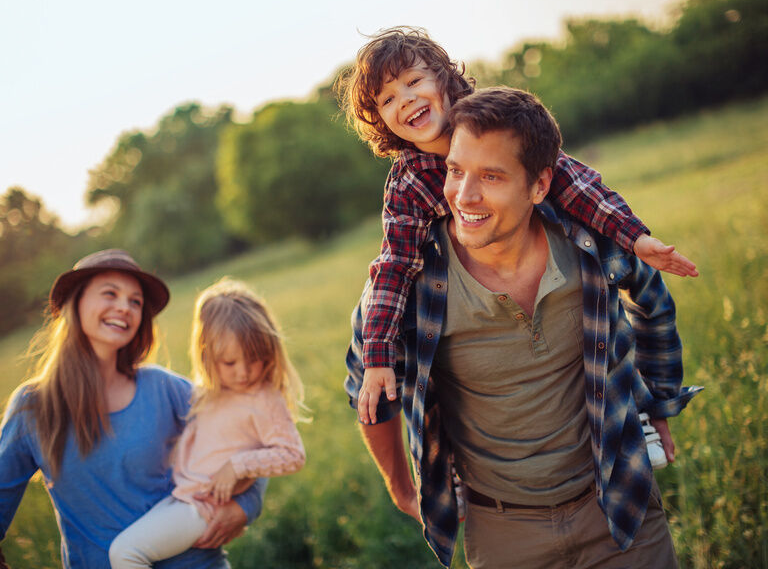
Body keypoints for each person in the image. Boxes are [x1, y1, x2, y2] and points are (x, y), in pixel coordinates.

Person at [344, 87, 702, 567]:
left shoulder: (587, 244)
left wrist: (658, 397)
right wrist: (401, 488)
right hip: (503, 534)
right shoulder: (404, 288)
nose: (464, 196)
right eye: (454, 170)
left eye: (491, 176)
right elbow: (366, 395)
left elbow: (653, 301)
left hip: (620, 506)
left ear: (539, 185)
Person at [335, 26, 699, 425]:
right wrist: (378, 357)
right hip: (467, 282)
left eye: (414, 81)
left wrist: (636, 237)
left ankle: (634, 413)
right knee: (387, 301)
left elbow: (574, 182)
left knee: (605, 325)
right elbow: (396, 263)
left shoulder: (494, 124)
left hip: (541, 243)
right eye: (387, 99)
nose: (405, 99)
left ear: (444, 79)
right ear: (381, 120)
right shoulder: (406, 182)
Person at [0, 249, 267, 568]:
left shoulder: (163, 388)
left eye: (135, 301)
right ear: (76, 302)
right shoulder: (32, 407)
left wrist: (243, 507)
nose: (124, 308)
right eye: (110, 294)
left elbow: (252, 436)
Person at [109, 278, 307, 568]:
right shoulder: (208, 393)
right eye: (229, 363)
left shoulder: (265, 398)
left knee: (126, 553)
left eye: (255, 359)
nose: (243, 373)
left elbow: (293, 455)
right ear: (207, 355)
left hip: (204, 508)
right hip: (184, 498)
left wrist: (238, 466)